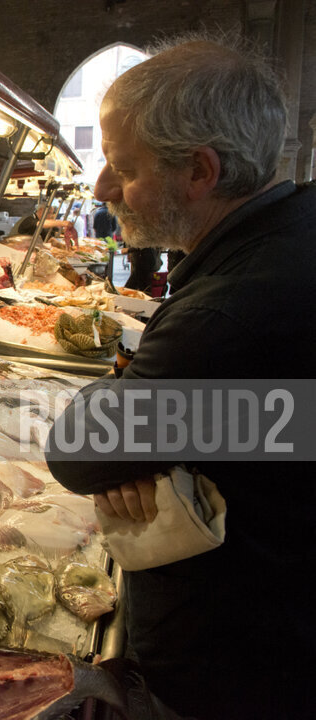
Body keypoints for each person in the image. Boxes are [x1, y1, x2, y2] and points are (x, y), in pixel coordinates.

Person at [45, 38, 314, 719]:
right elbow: (276, 423)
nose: (102, 190)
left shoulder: (233, 309)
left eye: (121, 168)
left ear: (200, 170)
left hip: (236, 676)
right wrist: (165, 440)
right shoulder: (289, 233)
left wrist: (142, 444)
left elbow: (75, 451)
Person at [10, 205, 77, 248]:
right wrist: (62, 223)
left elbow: (48, 238)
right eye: (49, 213)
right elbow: (40, 224)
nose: (51, 216)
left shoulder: (40, 222)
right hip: (14, 248)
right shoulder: (29, 219)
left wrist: (61, 246)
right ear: (41, 211)